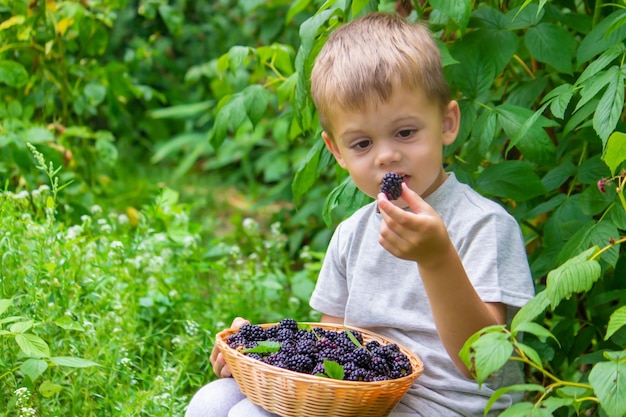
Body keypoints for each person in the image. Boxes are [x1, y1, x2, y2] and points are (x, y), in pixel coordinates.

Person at [185, 11, 535, 417]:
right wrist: (261, 353)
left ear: (447, 123)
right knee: (212, 402)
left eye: (405, 132)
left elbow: (482, 364)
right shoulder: (352, 233)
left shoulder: (484, 226)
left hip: (447, 407)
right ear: (336, 152)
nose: (386, 155)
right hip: (366, 400)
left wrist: (436, 258)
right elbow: (329, 350)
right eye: (363, 143)